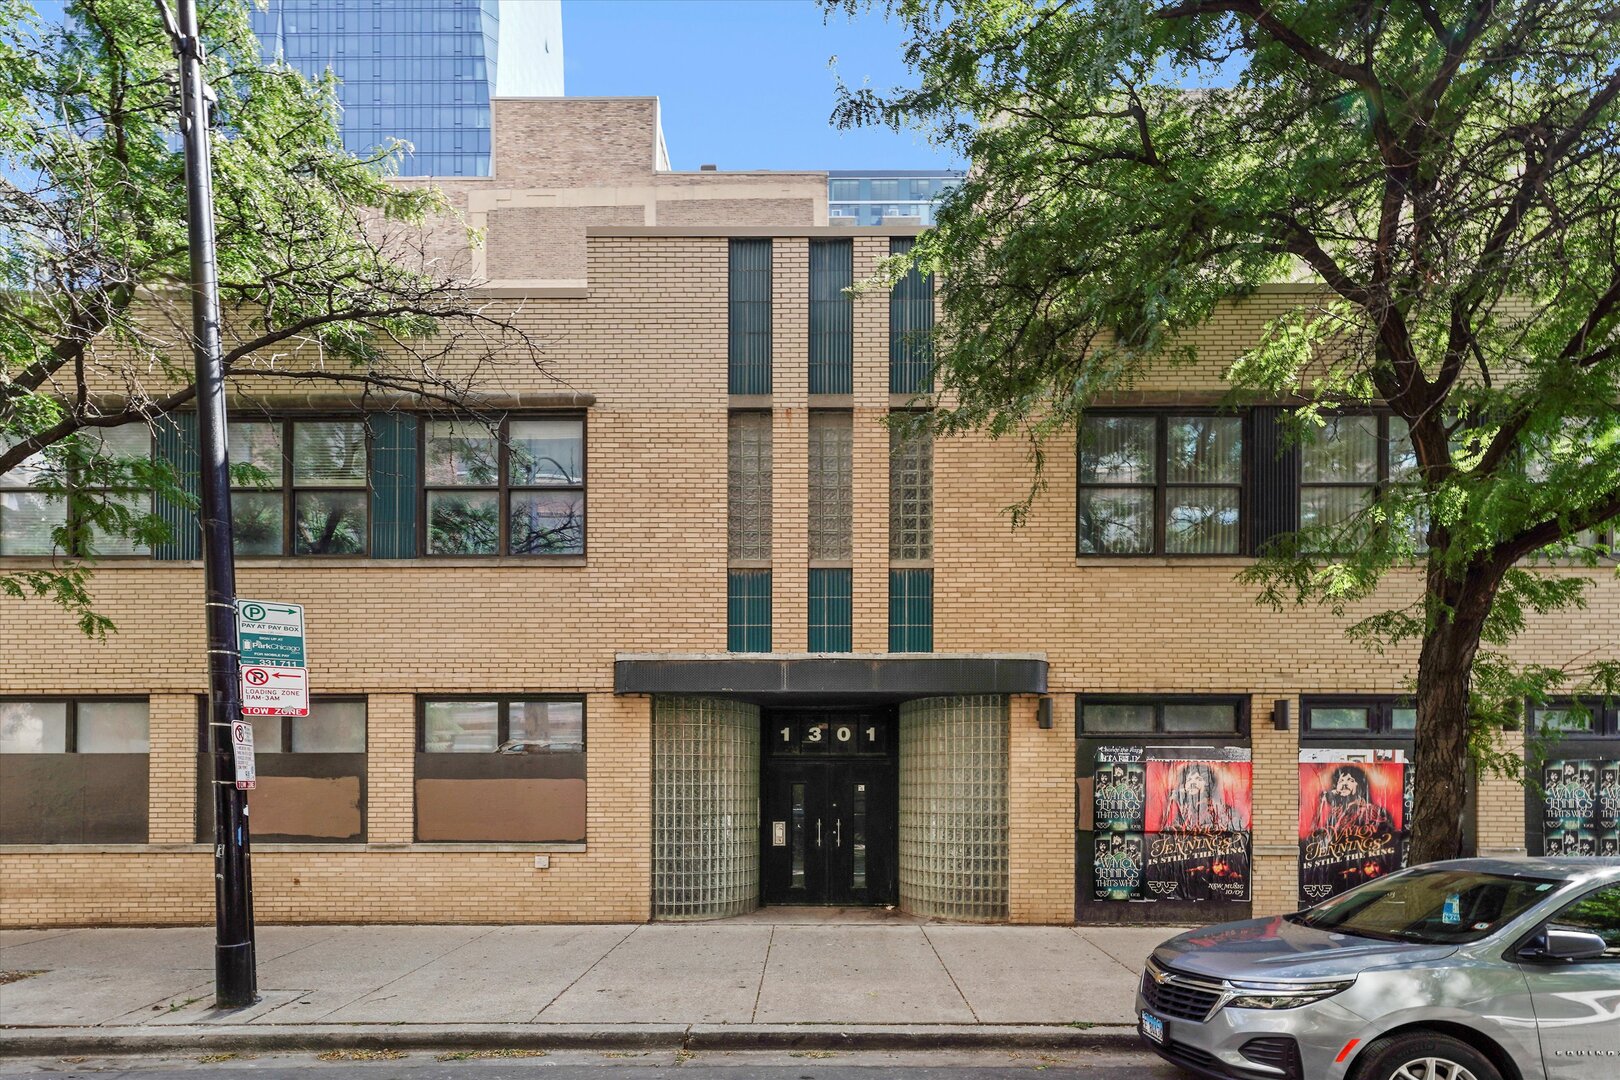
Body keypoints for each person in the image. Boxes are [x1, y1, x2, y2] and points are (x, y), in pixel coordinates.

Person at [1309, 764, 1396, 841]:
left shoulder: (1372, 811)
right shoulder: (1334, 815)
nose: (1344, 784)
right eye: (1341, 781)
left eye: (1350, 780)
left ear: (1359, 785)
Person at [1160, 761, 1246, 832]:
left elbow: (1240, 825)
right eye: (1189, 779)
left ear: (1207, 784)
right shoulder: (1177, 811)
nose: (1192, 783)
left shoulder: (1222, 809)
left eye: (1198, 779)